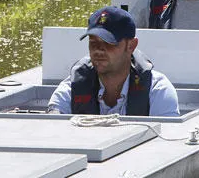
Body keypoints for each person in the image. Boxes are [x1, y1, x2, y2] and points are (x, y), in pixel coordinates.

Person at [49, 7, 181, 117]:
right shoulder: (72, 87)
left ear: (131, 46)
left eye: (109, 42)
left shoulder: (158, 90)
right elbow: (53, 124)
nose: (98, 50)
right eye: (93, 42)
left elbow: (167, 140)